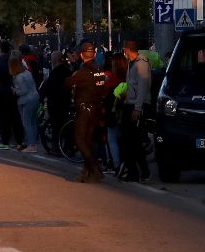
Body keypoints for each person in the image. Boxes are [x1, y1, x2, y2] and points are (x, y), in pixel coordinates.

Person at [65, 42, 110, 183]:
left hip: (84, 108)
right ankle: (87, 172)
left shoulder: (83, 71)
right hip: (96, 108)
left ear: (81, 55)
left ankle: (95, 169)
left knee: (80, 141)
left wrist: (73, 74)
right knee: (88, 141)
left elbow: (67, 83)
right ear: (95, 54)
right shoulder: (99, 70)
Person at [118, 41, 151, 182]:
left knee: (132, 141)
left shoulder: (141, 64)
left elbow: (143, 87)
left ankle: (140, 172)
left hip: (136, 106)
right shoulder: (131, 63)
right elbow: (132, 84)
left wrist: (138, 108)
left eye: (124, 50)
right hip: (129, 103)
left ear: (127, 49)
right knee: (129, 140)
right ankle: (137, 172)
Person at [11, 56, 40, 152]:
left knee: (26, 123)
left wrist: (14, 91)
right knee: (32, 122)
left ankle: (31, 145)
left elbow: (23, 91)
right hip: (35, 97)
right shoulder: (27, 73)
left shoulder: (19, 77)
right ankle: (30, 142)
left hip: (27, 100)